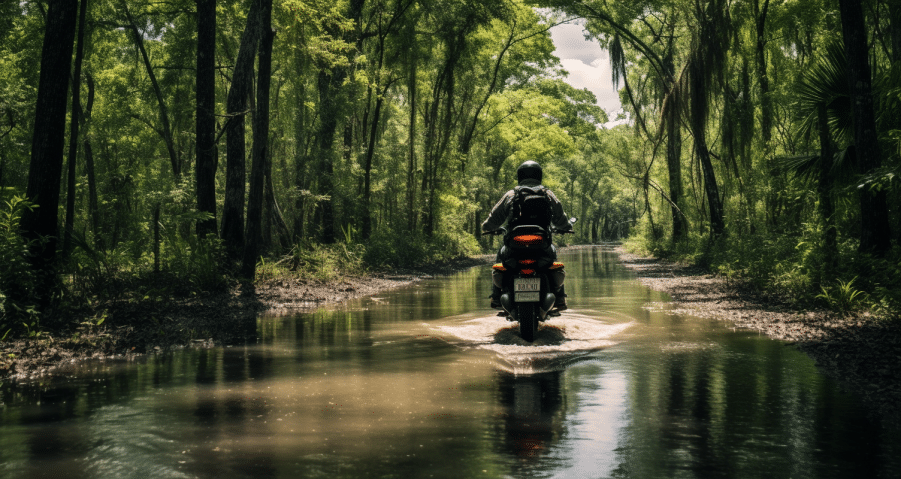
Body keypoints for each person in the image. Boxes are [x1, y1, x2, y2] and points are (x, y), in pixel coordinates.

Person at [481, 160, 572, 310]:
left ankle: (496, 297)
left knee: (500, 258)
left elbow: (494, 218)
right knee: (553, 257)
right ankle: (560, 298)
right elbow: (560, 218)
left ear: (520, 176)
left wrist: (487, 227)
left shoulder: (511, 194)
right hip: (541, 244)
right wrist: (566, 227)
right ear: (539, 176)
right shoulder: (547, 194)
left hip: (515, 244)